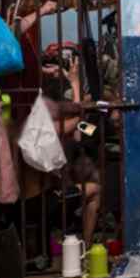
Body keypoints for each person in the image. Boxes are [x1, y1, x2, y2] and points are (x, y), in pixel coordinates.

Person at [41, 55, 104, 247]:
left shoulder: (51, 108)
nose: (56, 74)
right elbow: (75, 121)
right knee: (95, 189)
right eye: (51, 70)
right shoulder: (44, 113)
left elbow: (83, 129)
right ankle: (86, 244)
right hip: (48, 197)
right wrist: (75, 83)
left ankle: (80, 239)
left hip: (58, 183)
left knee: (88, 164)